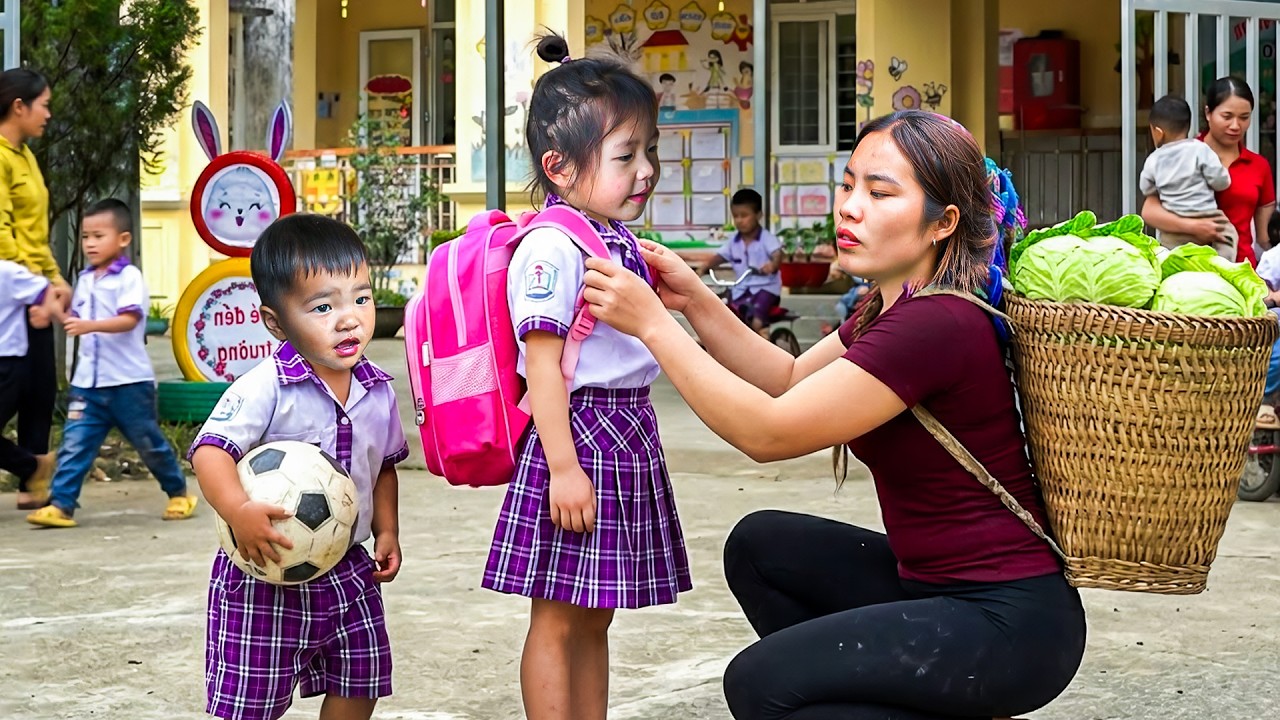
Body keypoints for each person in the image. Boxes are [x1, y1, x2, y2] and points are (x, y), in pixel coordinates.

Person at [581, 110, 1086, 719]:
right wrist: (694, 301)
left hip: (1009, 622)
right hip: (935, 591)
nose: (849, 207)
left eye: (880, 193)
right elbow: (789, 379)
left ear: (943, 223)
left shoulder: (936, 324)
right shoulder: (890, 306)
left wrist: (654, 326)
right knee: (761, 547)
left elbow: (767, 433)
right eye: (848, 186)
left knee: (761, 684)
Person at [480, 33, 691, 720]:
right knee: (558, 617)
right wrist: (565, 469)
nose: (647, 170)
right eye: (626, 156)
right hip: (580, 435)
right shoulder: (552, 246)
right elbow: (541, 365)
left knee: (596, 614)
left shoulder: (610, 236)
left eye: (648, 152)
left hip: (626, 433)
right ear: (559, 167)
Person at [189, 214, 407, 720]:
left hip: (348, 569)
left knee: (362, 678)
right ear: (275, 321)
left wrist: (387, 529)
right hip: (265, 569)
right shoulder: (265, 386)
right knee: (251, 704)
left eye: (362, 298)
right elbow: (210, 452)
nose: (349, 318)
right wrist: (239, 509)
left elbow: (383, 466)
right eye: (323, 306)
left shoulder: (377, 391)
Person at [26, 200, 199, 528]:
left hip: (128, 384)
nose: (90, 243)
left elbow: (130, 319)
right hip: (88, 386)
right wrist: (51, 312)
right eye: (86, 237)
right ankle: (62, 505)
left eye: (98, 236)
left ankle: (179, 492)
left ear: (123, 239)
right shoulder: (86, 279)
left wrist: (88, 326)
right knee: (74, 445)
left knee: (149, 443)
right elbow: (75, 320)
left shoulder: (129, 278)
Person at [0, 68, 66, 509]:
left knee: (41, 390)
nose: (48, 113)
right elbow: (3, 235)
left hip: (35, 287)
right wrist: (34, 287)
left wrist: (55, 280)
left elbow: (35, 234)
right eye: (42, 104)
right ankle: (30, 466)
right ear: (18, 106)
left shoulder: (25, 156)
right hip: (12, 293)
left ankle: (33, 485)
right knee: (11, 388)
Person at [1142, 77, 1275, 267]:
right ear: (1208, 113)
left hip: (1240, 270)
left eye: (1244, 117)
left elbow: (1264, 239)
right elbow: (1149, 211)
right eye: (1227, 116)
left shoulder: (1258, 166)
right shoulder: (1180, 154)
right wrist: (1194, 227)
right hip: (1186, 266)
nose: (1236, 125)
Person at [1139, 94, 1235, 259]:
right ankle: (1224, 265)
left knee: (1170, 256)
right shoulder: (1201, 149)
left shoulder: (1153, 159)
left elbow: (1146, 187)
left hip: (1174, 227)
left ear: (1158, 132)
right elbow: (1221, 182)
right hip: (1208, 217)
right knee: (1228, 237)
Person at [0, 259, 63, 499]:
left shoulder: (8, 272)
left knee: (35, 409)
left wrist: (47, 312)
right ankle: (32, 466)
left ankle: (33, 468)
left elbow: (44, 288)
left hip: (8, 362)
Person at [696, 188, 783, 336]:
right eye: (735, 216)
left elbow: (778, 254)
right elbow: (719, 257)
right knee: (724, 313)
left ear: (758, 215)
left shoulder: (766, 239)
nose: (739, 220)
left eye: (744, 215)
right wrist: (703, 268)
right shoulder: (733, 242)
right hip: (741, 289)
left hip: (766, 289)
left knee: (756, 320)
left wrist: (772, 265)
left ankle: (766, 348)